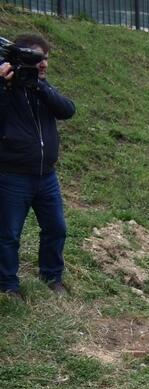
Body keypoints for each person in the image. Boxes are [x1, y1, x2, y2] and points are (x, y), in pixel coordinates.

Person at [0, 33, 75, 301]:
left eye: (46, 59)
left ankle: (52, 276)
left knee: (56, 228)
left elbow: (67, 110)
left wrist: (39, 87)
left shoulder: (41, 88)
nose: (43, 64)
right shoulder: (7, 87)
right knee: (8, 235)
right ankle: (8, 286)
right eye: (37, 59)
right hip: (12, 176)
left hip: (46, 177)